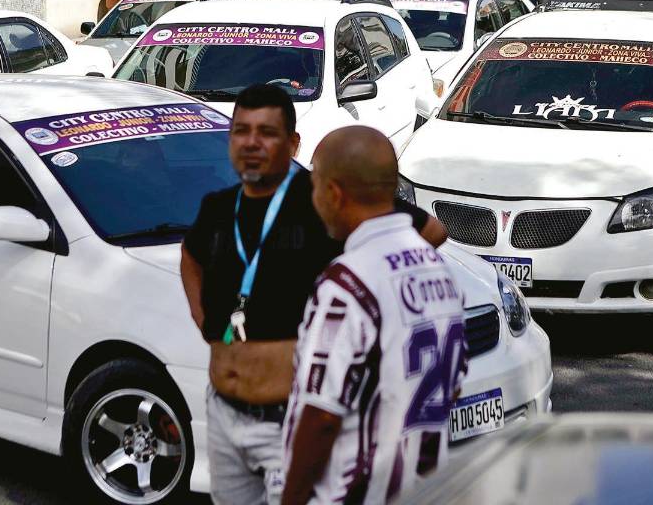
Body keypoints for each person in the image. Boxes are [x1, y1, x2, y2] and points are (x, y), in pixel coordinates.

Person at [181, 85, 447, 505]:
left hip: (290, 420)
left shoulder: (325, 199)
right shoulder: (218, 206)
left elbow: (431, 230)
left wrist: (371, 286)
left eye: (266, 132)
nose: (251, 143)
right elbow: (190, 256)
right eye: (241, 130)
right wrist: (201, 317)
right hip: (224, 412)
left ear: (293, 144)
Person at [281, 127, 468, 505]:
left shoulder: (347, 283)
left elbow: (321, 417)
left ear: (333, 193)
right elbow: (454, 385)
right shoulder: (439, 271)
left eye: (314, 186)